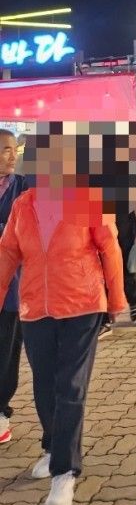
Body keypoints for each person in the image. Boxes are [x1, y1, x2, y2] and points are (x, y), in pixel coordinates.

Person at [0, 127, 127, 505]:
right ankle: (54, 445)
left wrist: (117, 299)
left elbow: (110, 249)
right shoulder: (24, 205)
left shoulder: (88, 201)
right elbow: (8, 252)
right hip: (36, 308)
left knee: (69, 387)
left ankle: (64, 472)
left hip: (83, 305)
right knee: (43, 386)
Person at [0, 131, 27, 446]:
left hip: (12, 289)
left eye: (13, 149)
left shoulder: (25, 187)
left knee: (6, 353)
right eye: (5, 150)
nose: (12, 155)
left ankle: (2, 410)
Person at [113, 198, 136, 325]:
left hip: (124, 227)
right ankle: (105, 316)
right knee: (103, 271)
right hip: (101, 226)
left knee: (126, 268)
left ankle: (133, 299)